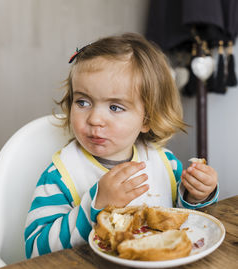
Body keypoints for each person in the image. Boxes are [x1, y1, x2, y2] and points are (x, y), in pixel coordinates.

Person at [24, 33, 218, 258]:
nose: (95, 119)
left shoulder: (166, 165)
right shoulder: (60, 175)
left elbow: (186, 224)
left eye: (115, 107)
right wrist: (95, 206)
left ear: (146, 119)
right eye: (83, 102)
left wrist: (196, 196)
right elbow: (35, 250)